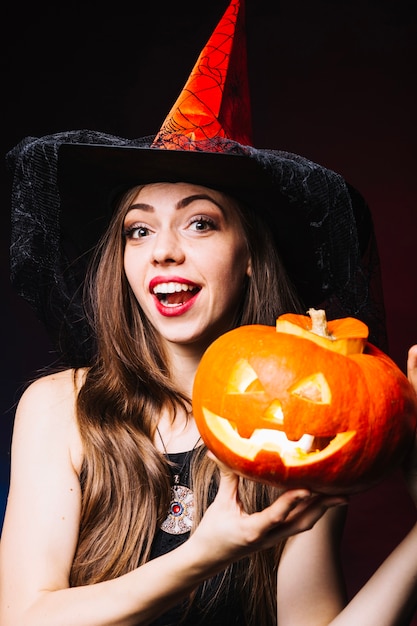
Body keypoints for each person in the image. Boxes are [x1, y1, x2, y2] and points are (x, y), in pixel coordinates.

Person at [1, 1, 417, 625]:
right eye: (138, 232)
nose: (164, 250)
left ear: (249, 256)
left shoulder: (302, 432)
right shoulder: (61, 408)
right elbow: (25, 618)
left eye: (199, 223)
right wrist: (208, 551)